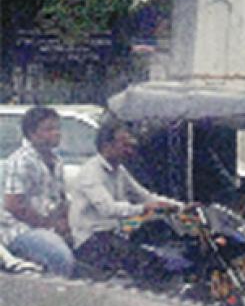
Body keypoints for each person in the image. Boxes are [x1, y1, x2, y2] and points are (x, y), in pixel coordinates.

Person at [70, 121, 182, 284]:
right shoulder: (91, 173)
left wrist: (180, 206)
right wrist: (145, 208)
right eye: (124, 145)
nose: (129, 151)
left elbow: (145, 195)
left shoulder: (119, 170)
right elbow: (108, 209)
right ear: (107, 145)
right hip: (91, 241)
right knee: (147, 263)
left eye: (130, 146)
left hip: (115, 234)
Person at [0, 106, 75, 275]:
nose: (56, 133)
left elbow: (60, 200)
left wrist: (64, 223)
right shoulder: (21, 161)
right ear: (32, 134)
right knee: (59, 257)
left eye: (57, 128)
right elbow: (14, 205)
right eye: (49, 129)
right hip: (19, 229)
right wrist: (47, 225)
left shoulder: (56, 161)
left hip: (49, 226)